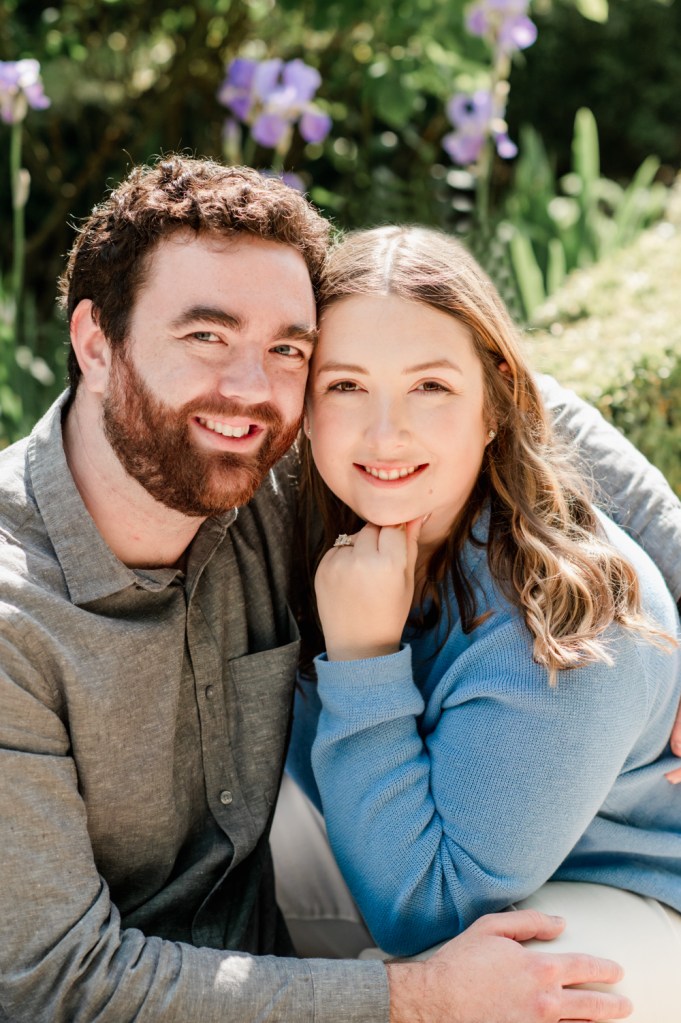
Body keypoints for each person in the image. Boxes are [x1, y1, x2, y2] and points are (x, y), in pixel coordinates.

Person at [0, 155, 638, 1023]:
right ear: (94, 344)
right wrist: (414, 998)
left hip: (273, 921)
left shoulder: (253, 469)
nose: (251, 389)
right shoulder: (17, 621)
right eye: (204, 336)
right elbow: (57, 984)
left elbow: (518, 399)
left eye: (288, 351)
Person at [278, 225, 681, 1018]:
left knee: (484, 1002)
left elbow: (429, 909)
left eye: (430, 387)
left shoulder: (567, 621)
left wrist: (362, 657)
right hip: (413, 846)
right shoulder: (307, 516)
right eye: (345, 385)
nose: (385, 431)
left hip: (621, 898)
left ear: (494, 398)